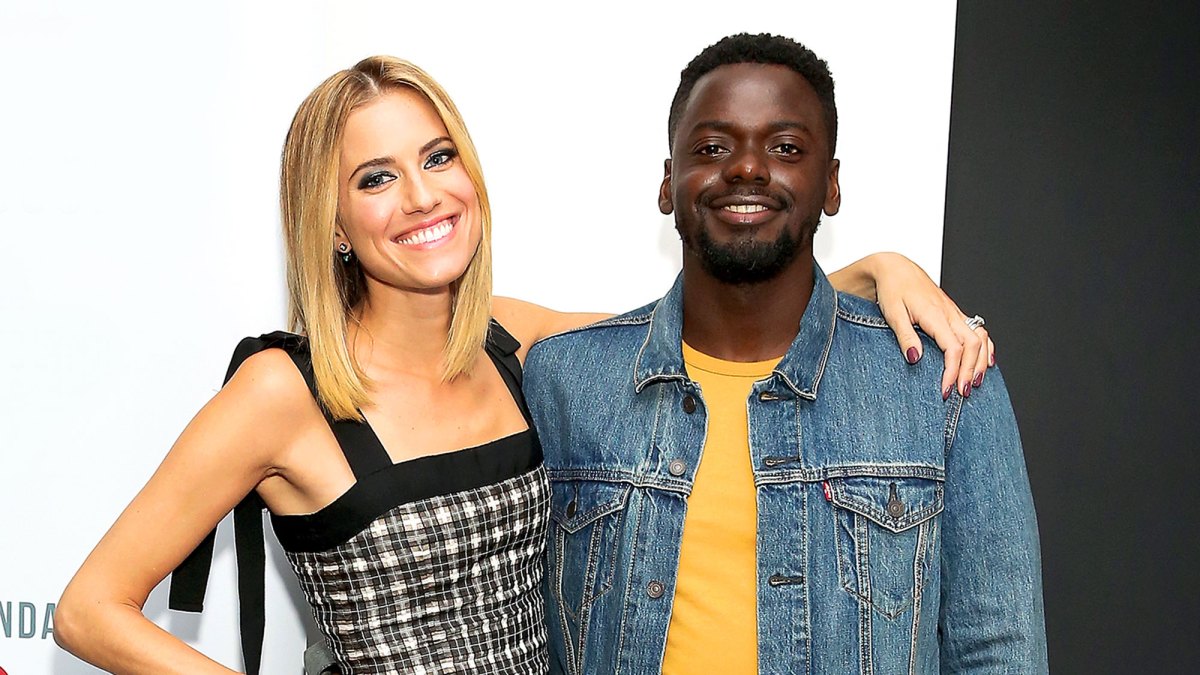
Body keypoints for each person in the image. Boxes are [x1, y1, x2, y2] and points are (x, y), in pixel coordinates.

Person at [54, 55, 994, 674]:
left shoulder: (513, 342)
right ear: (331, 223)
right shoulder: (280, 392)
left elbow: (699, 325)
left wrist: (876, 269)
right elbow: (90, 609)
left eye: (437, 157)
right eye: (375, 177)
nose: (422, 196)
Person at [524, 33, 1047, 675]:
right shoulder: (564, 381)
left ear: (831, 185)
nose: (746, 168)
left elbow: (1000, 650)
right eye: (712, 148)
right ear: (667, 183)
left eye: (786, 148)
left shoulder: (945, 382)